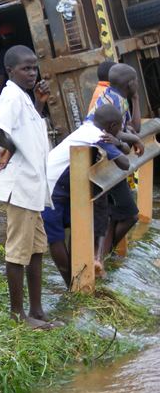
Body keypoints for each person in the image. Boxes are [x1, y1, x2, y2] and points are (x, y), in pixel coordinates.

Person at [0, 45, 54, 329]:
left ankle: (36, 310)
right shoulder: (11, 97)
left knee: (36, 250)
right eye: (25, 68)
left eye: (34, 67)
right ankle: (18, 315)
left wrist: (39, 103)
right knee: (17, 251)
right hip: (22, 187)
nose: (32, 72)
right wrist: (9, 148)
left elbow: (31, 131)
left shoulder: (25, 98)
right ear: (10, 71)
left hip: (33, 187)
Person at [42, 104, 131, 286]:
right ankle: (73, 286)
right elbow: (124, 163)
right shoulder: (98, 136)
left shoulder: (88, 127)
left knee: (77, 227)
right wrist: (115, 142)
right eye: (118, 128)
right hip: (49, 188)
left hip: (58, 185)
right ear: (112, 126)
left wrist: (119, 141)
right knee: (55, 239)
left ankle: (78, 280)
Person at [86, 63, 144, 260]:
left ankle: (101, 259)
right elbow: (115, 132)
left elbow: (135, 126)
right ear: (131, 83)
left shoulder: (120, 98)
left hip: (110, 160)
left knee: (114, 215)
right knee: (130, 214)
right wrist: (133, 139)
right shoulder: (112, 101)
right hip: (104, 160)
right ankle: (104, 256)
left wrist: (135, 98)